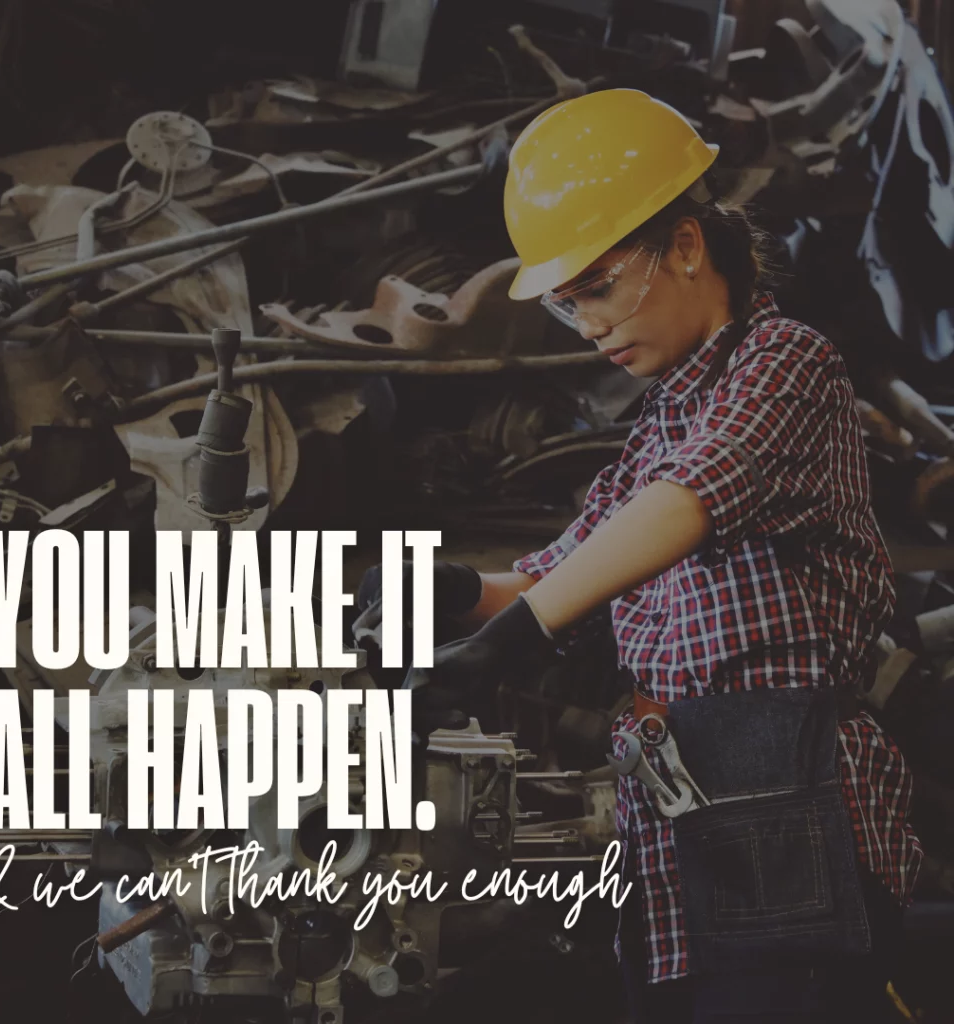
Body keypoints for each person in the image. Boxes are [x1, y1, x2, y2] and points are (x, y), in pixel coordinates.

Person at [360, 89, 923, 1023]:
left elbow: (686, 504)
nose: (588, 326)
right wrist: (449, 594)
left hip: (787, 813)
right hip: (673, 834)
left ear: (689, 247)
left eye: (600, 287)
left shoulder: (785, 362)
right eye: (568, 304)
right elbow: (557, 577)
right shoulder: (658, 427)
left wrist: (512, 643)